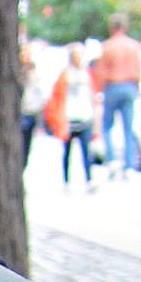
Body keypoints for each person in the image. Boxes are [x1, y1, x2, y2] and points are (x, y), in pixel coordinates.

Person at [93, 12, 141, 172]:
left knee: (107, 125)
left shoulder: (107, 47)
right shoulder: (133, 46)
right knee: (128, 128)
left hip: (113, 85)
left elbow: (100, 71)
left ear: (112, 27)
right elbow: (138, 69)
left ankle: (113, 159)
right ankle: (129, 165)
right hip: (129, 86)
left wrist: (99, 91)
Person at [45, 44, 97, 187]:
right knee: (67, 152)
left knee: (86, 151)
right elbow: (56, 97)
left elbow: (94, 96)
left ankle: (89, 179)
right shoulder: (65, 75)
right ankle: (66, 180)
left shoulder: (88, 74)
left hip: (85, 116)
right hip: (69, 118)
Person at [18, 47, 44, 170]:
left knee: (26, 147)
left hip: (31, 112)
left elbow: (39, 93)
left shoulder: (34, 71)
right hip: (19, 112)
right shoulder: (16, 71)